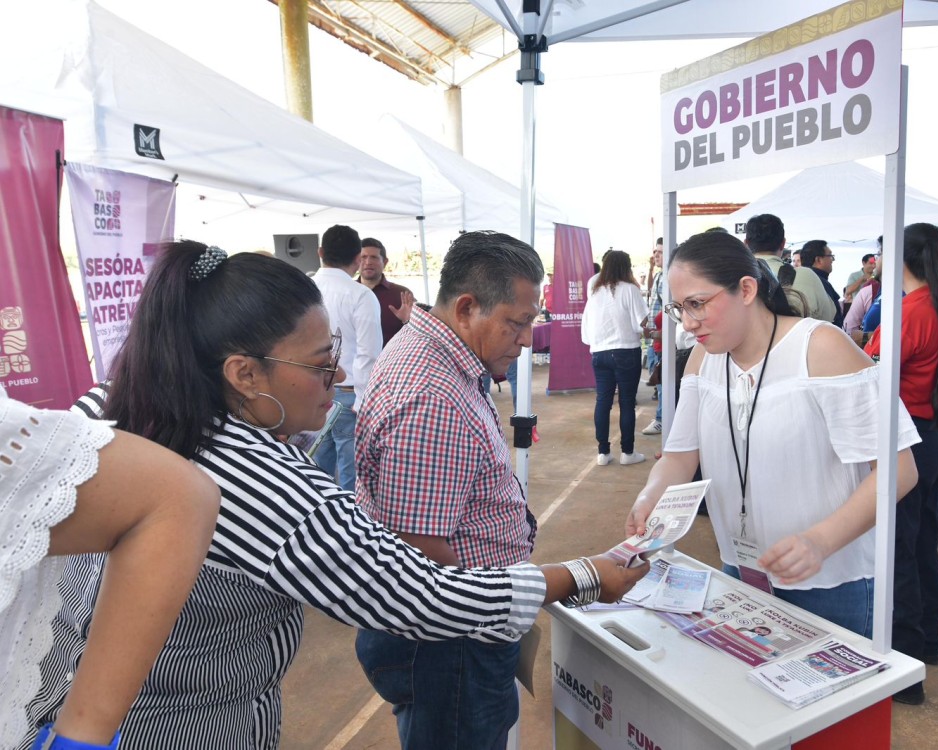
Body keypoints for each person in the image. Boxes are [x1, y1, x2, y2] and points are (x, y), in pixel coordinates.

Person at [21, 242, 647, 749]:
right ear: (244, 373)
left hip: (68, 705)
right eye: (322, 363)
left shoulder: (112, 407)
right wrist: (588, 573)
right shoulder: (257, 481)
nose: (340, 376)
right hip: (183, 725)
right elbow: (422, 590)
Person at [625, 231, 919, 639]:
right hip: (742, 568)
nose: (689, 324)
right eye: (679, 309)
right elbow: (679, 456)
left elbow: (898, 469)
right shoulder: (702, 359)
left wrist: (820, 541)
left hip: (832, 579)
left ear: (746, 289)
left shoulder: (819, 348)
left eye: (697, 304)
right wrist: (649, 496)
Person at [353, 230, 548, 750]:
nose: (526, 340)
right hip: (451, 640)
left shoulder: (436, 359)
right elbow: (423, 560)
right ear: (467, 308)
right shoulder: (432, 398)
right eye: (518, 322)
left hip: (457, 630)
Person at [1, 392, 218, 750]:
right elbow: (176, 496)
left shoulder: (98, 402)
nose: (335, 378)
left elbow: (175, 496)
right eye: (320, 365)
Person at [864, 223, 938, 706]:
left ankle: (905, 673)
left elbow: (872, 374)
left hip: (911, 440)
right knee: (922, 542)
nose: (876, 261)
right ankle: (927, 643)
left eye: (882, 252)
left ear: (900, 256)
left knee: (897, 551)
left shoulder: (910, 310)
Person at [312, 225, 382, 491]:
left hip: (309, 389)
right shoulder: (360, 294)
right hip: (350, 394)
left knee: (315, 471)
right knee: (351, 477)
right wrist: (365, 400)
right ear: (357, 258)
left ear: (320, 252)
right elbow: (370, 355)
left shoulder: (304, 287)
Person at [582, 249, 649, 466]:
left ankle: (603, 452)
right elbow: (643, 323)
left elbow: (587, 327)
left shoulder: (594, 291)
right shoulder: (630, 290)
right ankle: (627, 453)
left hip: (599, 353)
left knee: (603, 401)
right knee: (627, 403)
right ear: (626, 267)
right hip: (626, 350)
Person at [743, 214, 837, 323]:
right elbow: (828, 318)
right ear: (783, 244)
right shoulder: (806, 276)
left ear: (746, 244)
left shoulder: (732, 277)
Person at [357, 236, 415, 346]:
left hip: (394, 360)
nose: (368, 262)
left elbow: (420, 334)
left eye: (374, 257)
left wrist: (407, 321)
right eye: (363, 257)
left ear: (385, 261)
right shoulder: (348, 293)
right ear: (356, 260)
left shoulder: (402, 295)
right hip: (354, 362)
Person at [644, 239, 665, 434]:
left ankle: (662, 418)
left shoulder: (668, 278)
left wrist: (660, 335)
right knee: (658, 379)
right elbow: (653, 296)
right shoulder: (659, 275)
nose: (655, 255)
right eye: (655, 251)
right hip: (654, 339)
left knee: (662, 381)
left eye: (660, 252)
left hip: (661, 340)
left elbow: (669, 310)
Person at [799, 240, 843, 327]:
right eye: (830, 256)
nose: (832, 260)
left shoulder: (799, 279)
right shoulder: (819, 282)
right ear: (818, 260)